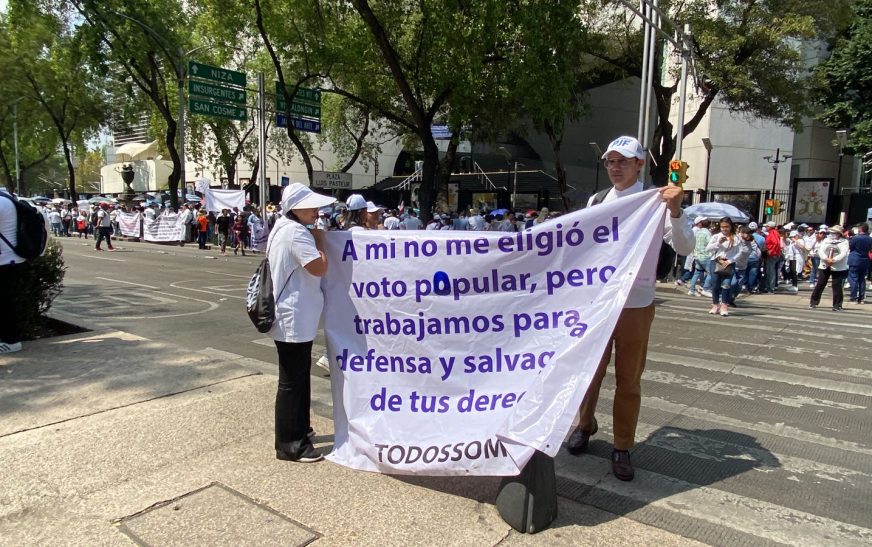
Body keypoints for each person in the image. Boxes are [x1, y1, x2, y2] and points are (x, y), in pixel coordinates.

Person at [565, 136, 694, 481]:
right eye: (611, 161)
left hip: (636, 303)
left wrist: (677, 211)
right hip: (598, 303)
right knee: (589, 372)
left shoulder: (658, 202)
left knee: (628, 379)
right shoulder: (597, 200)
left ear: (640, 164)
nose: (615, 167)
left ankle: (622, 445)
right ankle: (585, 424)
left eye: (623, 161)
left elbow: (684, 247)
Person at [269, 182, 334, 463]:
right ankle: (290, 444)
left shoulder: (283, 228)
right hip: (293, 318)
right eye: (312, 207)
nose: (317, 211)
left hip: (293, 316)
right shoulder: (296, 233)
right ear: (296, 208)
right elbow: (319, 267)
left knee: (297, 378)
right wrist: (320, 242)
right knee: (292, 381)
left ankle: (299, 431)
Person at [0, 187, 26, 353]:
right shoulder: (6, 196)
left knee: (4, 303)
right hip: (10, 259)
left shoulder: (1, 202)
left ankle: (11, 341)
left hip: (5, 261)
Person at [705, 217, 745, 316]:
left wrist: (731, 260)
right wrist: (718, 243)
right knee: (715, 284)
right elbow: (708, 249)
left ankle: (724, 305)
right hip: (716, 262)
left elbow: (741, 251)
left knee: (726, 285)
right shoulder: (716, 236)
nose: (724, 229)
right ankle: (715, 304)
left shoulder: (736, 238)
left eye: (726, 227)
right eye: (722, 227)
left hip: (728, 263)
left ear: (731, 227)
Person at [809, 225, 850, 311]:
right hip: (825, 265)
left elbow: (843, 253)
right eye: (831, 232)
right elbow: (820, 251)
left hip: (838, 266)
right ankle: (813, 302)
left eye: (834, 233)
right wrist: (826, 259)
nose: (832, 234)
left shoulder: (844, 242)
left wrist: (833, 260)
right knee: (820, 284)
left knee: (837, 286)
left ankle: (837, 305)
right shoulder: (826, 240)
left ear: (839, 234)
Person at [847, 223, 871, 304]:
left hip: (855, 259)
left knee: (853, 279)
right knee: (862, 279)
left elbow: (851, 247)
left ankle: (853, 297)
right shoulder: (869, 239)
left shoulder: (855, 238)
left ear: (860, 229)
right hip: (864, 260)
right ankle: (861, 297)